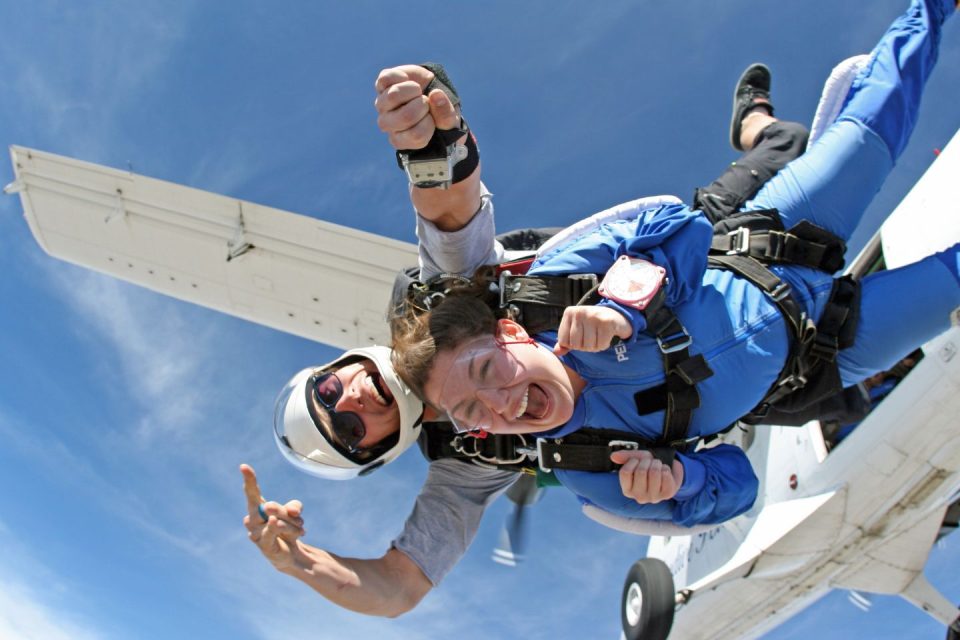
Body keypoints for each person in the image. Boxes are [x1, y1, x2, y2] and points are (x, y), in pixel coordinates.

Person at [242, 0, 957, 616]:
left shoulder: (453, 306)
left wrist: (432, 146)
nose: (353, 402)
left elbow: (452, 220)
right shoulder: (499, 457)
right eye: (350, 431)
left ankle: (756, 125)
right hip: (815, 356)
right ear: (380, 452)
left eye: (330, 388)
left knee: (808, 140)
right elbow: (399, 588)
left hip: (725, 250)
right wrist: (301, 565)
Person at [389, 0, 959, 528]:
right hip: (826, 354)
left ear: (511, 334)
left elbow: (676, 221)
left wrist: (621, 307)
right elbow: (739, 492)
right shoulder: (593, 470)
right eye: (470, 412)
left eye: (486, 371)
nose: (498, 405)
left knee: (877, 120)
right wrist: (682, 479)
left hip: (778, 238)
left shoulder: (554, 286)